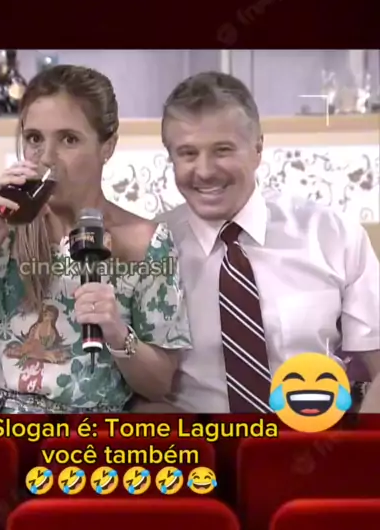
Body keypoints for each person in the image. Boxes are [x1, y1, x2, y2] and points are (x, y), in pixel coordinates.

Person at [0, 65, 190, 414]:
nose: (47, 158)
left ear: (108, 146)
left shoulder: (148, 242)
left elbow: (158, 384)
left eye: (69, 139)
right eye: (34, 139)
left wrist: (117, 332)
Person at [135, 71, 380, 413]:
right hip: (197, 440)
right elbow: (133, 390)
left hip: (317, 435)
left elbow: (376, 363)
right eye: (187, 154)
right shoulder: (147, 248)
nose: (204, 171)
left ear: (258, 149)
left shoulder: (331, 234)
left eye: (222, 150)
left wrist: (358, 438)